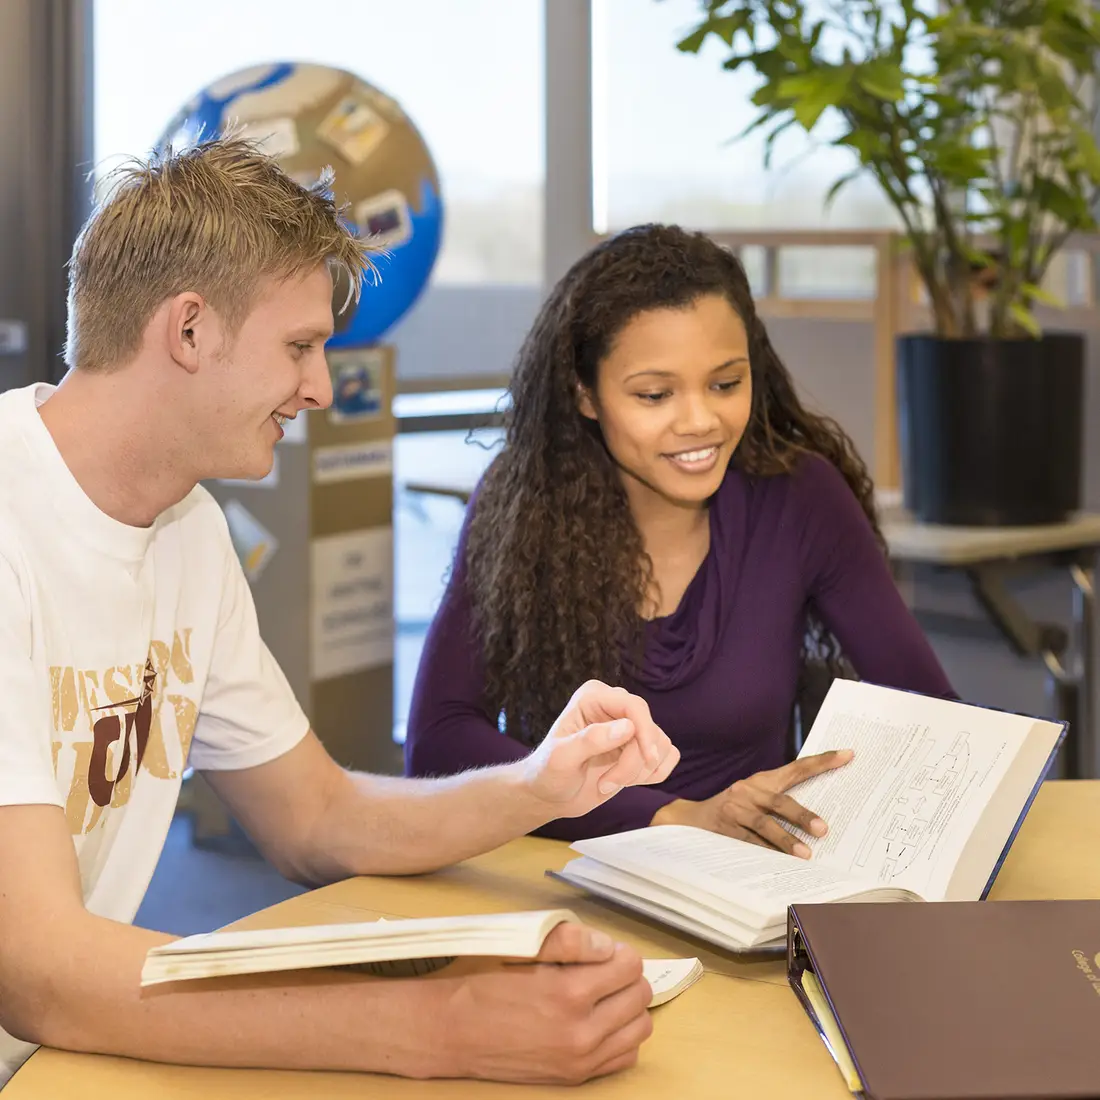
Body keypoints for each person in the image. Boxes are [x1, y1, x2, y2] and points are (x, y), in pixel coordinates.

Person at [0, 138, 682, 1089]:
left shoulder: (188, 527)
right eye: (300, 346)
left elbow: (314, 814)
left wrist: (539, 785)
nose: (321, 386)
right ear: (189, 331)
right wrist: (441, 1030)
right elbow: (35, 972)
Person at [404, 223, 957, 848]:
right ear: (585, 394)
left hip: (745, 894)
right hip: (561, 884)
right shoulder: (521, 502)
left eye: (726, 384)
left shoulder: (800, 497)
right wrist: (672, 816)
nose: (701, 421)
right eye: (655, 394)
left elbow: (935, 716)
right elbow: (438, 743)